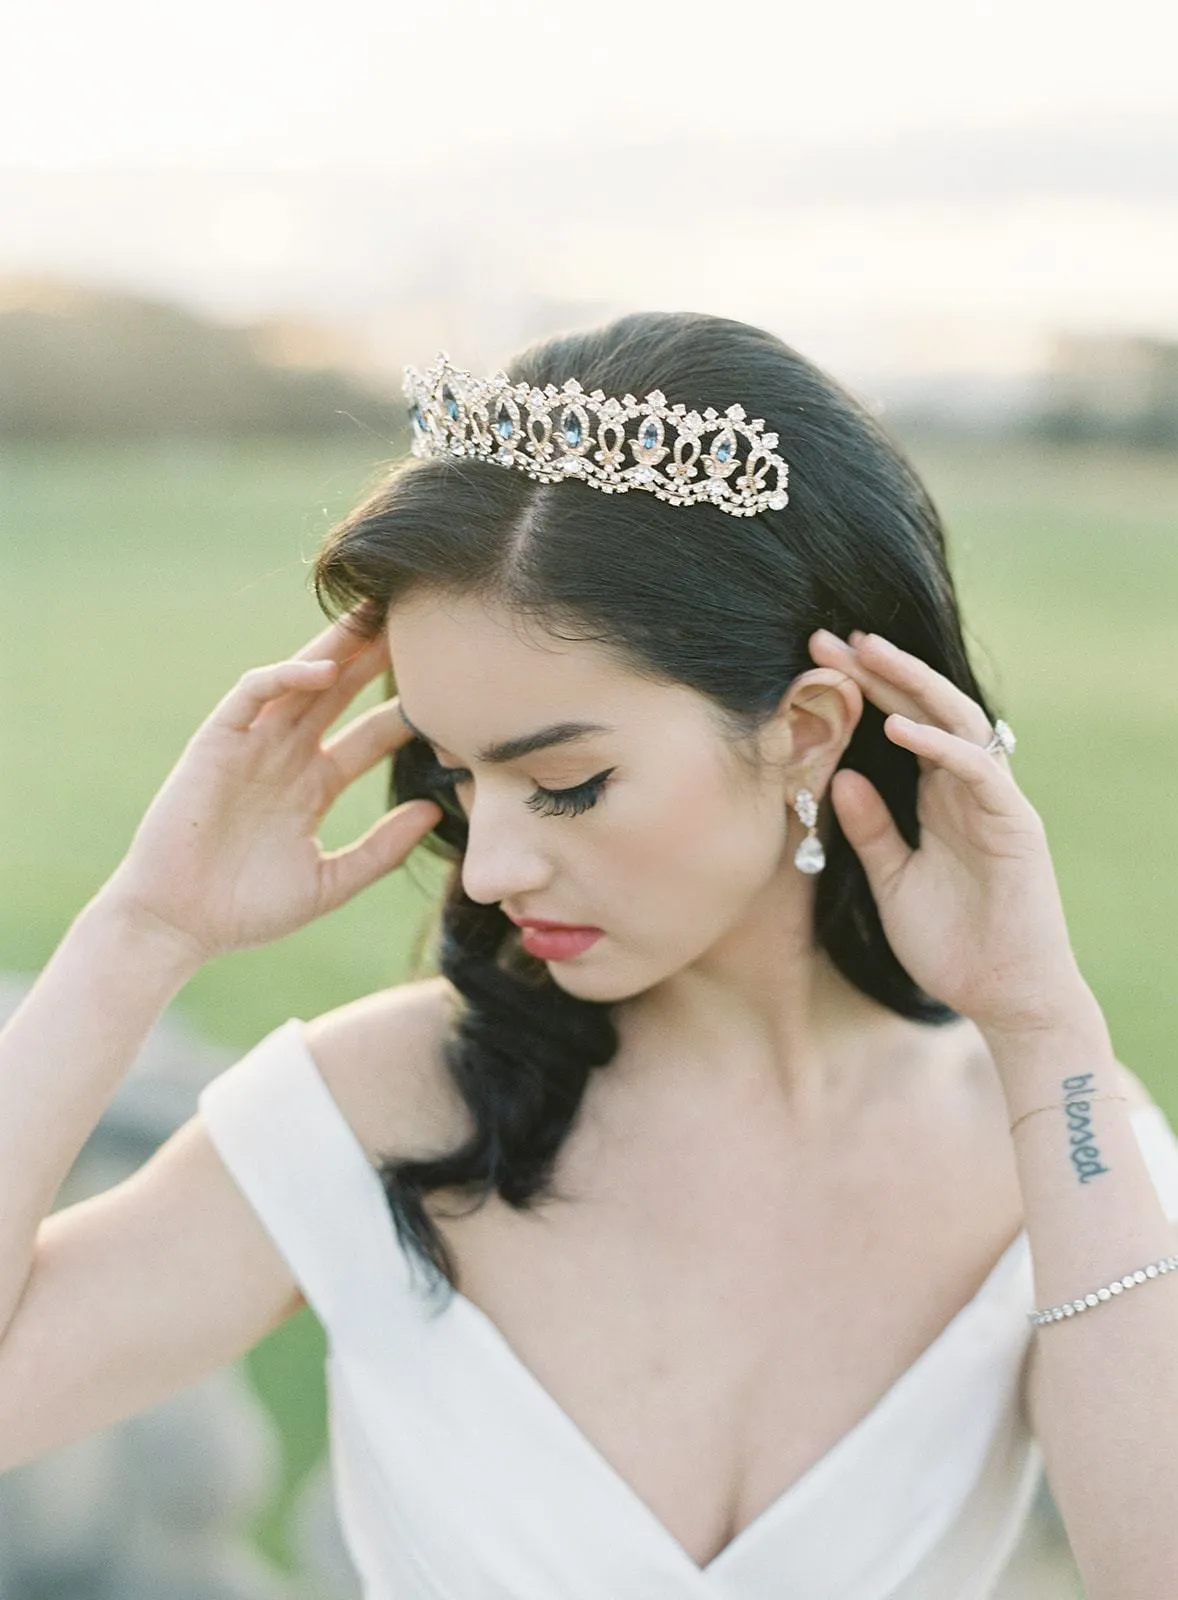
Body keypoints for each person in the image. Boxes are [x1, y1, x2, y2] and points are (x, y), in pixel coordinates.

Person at [2, 310, 1177, 1600]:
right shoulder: (381, 1109)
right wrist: (142, 932)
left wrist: (1043, 1032)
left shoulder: (1059, 1142)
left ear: (807, 726)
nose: (489, 867)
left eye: (563, 783)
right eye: (458, 776)